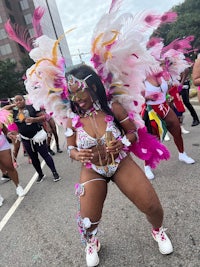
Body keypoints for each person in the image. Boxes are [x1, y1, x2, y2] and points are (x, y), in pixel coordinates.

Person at [66, 65, 173, 267]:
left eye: (81, 92)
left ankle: (158, 230)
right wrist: (77, 154)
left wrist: (122, 142)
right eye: (72, 94)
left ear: (94, 87)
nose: (77, 99)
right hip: (92, 169)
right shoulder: (71, 119)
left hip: (120, 163)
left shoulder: (113, 107)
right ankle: (91, 242)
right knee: (88, 220)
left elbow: (132, 132)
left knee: (152, 205)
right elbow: (70, 148)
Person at [144, 74, 195, 180]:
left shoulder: (162, 74)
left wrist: (168, 97)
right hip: (151, 110)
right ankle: (147, 166)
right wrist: (148, 97)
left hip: (165, 107)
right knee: (153, 140)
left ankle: (182, 154)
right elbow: (134, 96)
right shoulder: (141, 76)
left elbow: (166, 91)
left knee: (177, 130)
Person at [9, 95, 61, 183]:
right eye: (16, 101)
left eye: (20, 100)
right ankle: (40, 174)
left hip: (37, 137)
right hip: (26, 139)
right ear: (14, 103)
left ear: (24, 100)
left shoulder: (32, 107)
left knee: (45, 155)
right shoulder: (14, 113)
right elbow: (15, 126)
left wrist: (34, 119)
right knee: (34, 158)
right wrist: (13, 133)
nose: (19, 102)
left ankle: (54, 172)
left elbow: (44, 117)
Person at [0, 123, 25, 197]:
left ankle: (18, 186)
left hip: (2, 145)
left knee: (9, 166)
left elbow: (5, 130)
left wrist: (9, 134)